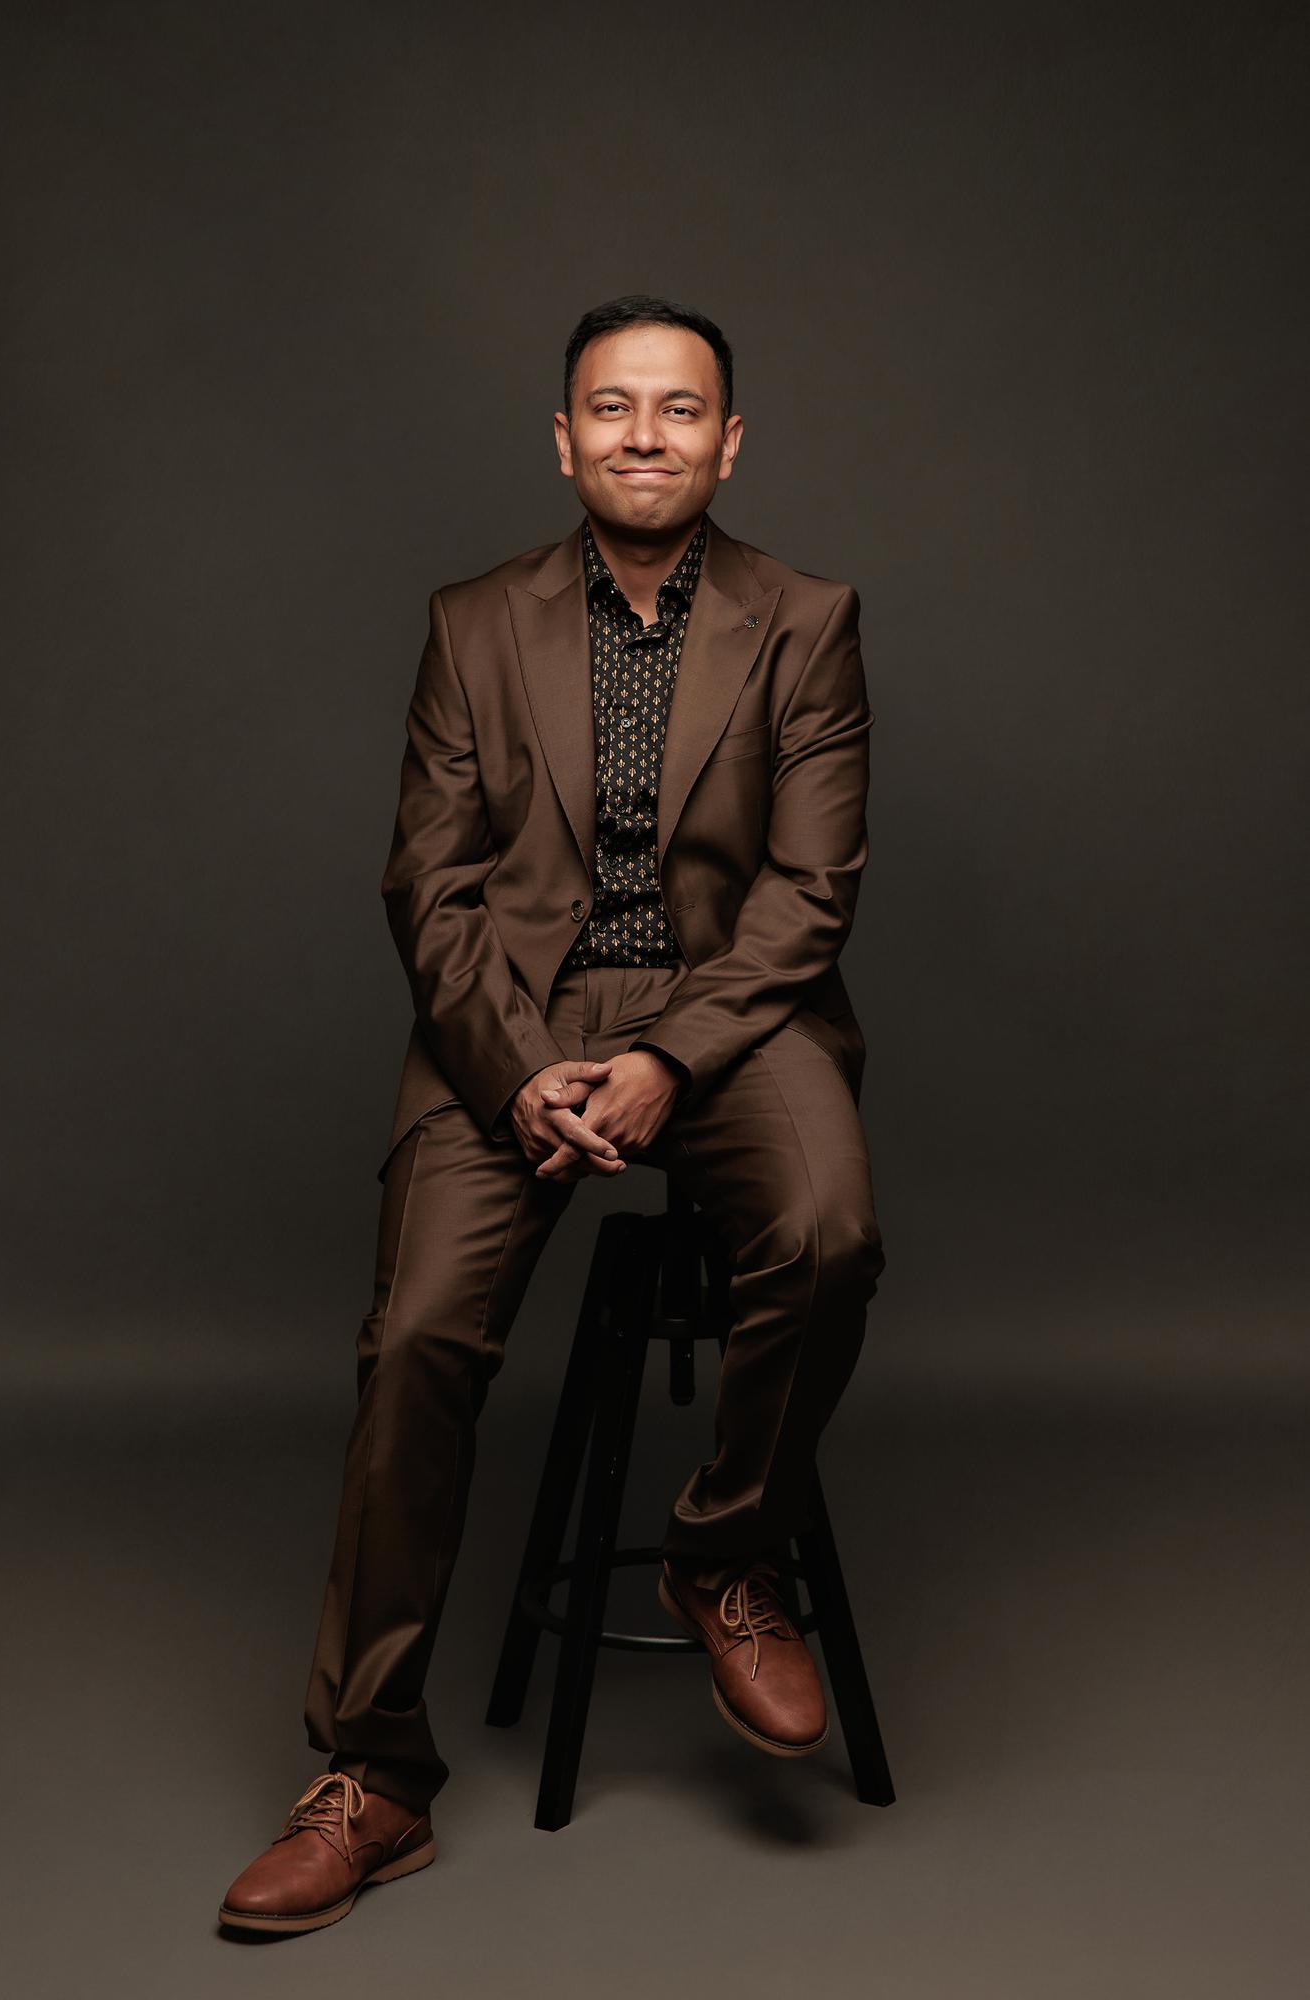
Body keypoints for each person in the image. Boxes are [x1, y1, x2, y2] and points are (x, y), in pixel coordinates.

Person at [219, 293, 886, 1935]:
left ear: (728, 442)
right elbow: (429, 887)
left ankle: (725, 1549)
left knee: (824, 1233)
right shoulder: (470, 623)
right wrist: (520, 1068)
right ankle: (371, 1774)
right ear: (564, 436)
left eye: (677, 409)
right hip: (506, 1027)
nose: (643, 434)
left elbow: (809, 895)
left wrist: (671, 1057)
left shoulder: (807, 617)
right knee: (421, 1336)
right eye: (610, 407)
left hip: (731, 1015)